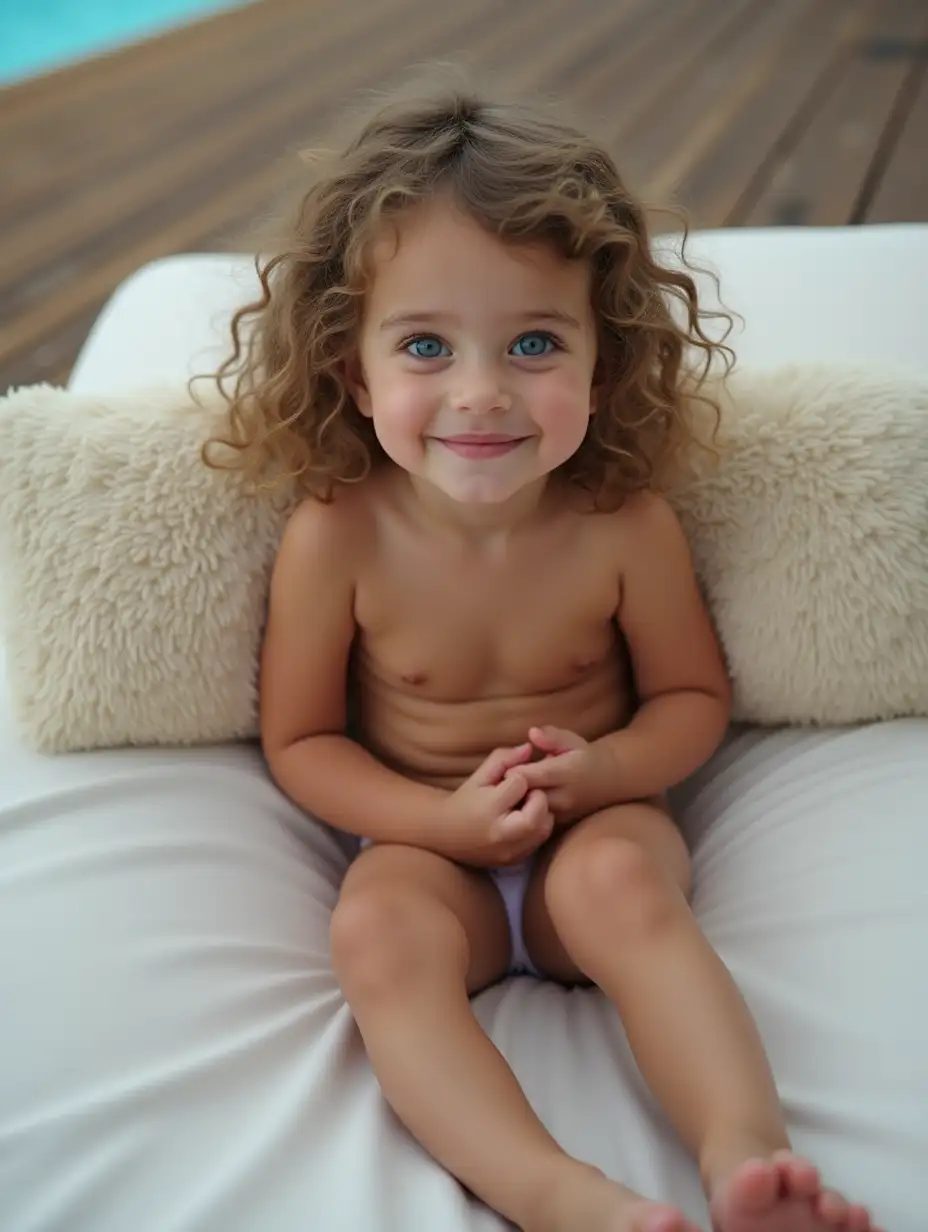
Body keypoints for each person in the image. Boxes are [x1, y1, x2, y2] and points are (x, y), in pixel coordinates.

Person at [204, 76, 879, 1232]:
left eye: (532, 342)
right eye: (424, 344)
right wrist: (444, 824)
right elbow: (302, 740)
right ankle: (561, 1195)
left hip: (595, 825)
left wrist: (609, 771)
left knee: (620, 882)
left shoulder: (622, 522)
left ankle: (746, 1161)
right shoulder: (338, 535)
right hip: (429, 847)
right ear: (352, 371)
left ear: (602, 361)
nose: (481, 393)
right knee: (374, 930)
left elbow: (688, 697)